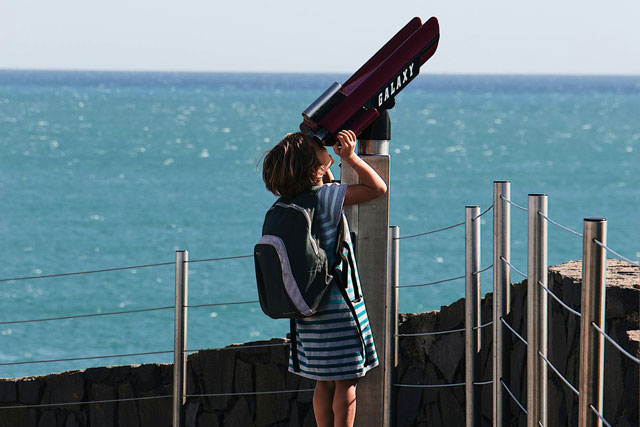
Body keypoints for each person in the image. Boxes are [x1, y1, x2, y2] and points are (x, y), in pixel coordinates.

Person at [261, 129, 387, 427]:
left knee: (324, 382)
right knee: (346, 381)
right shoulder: (327, 197)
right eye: (319, 147)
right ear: (313, 168)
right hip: (338, 308)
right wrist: (351, 157)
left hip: (306, 309)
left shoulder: (286, 205)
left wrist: (326, 168)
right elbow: (376, 188)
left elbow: (324, 186)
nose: (325, 146)